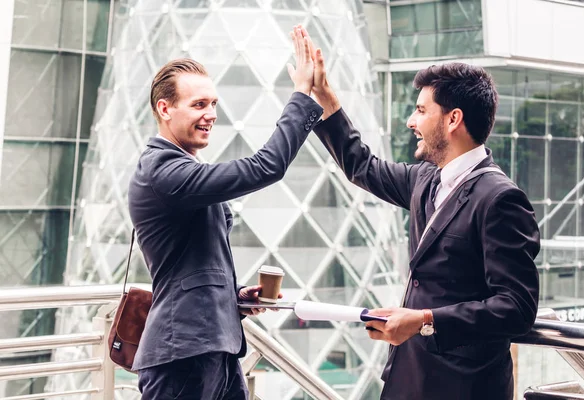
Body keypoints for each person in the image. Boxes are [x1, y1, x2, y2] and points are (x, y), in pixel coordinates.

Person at [298, 27, 540, 400]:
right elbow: (361, 166)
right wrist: (325, 99)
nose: (412, 121)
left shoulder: (500, 199)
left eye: (422, 110)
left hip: (465, 388)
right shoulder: (425, 180)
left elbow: (515, 307)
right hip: (408, 380)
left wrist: (425, 321)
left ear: (453, 119)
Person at [128, 27, 322, 399]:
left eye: (213, 104)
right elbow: (267, 166)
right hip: (182, 353)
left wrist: (234, 296)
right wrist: (301, 93)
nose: (211, 114)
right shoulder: (163, 171)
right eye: (199, 104)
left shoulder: (182, 167)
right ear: (165, 109)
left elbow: (193, 260)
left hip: (214, 346)